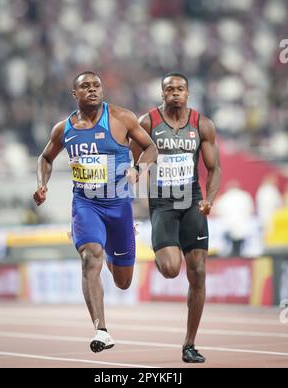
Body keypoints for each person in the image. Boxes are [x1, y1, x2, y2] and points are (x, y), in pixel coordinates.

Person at [33, 71, 157, 353]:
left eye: (96, 85)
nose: (92, 90)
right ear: (74, 94)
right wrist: (42, 184)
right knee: (90, 257)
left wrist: (139, 168)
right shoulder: (63, 129)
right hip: (86, 204)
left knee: (123, 282)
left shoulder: (121, 118)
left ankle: (112, 246)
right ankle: (101, 329)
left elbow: (150, 148)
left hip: (119, 206)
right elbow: (45, 157)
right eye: (85, 86)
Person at [131, 72, 221, 363]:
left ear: (188, 93)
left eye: (180, 89)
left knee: (198, 272)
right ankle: (162, 246)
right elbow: (132, 161)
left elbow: (215, 169)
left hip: (192, 201)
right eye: (169, 89)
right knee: (171, 269)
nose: (175, 93)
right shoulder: (148, 123)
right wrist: (136, 191)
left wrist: (209, 199)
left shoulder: (202, 124)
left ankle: (189, 344)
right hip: (163, 204)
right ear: (162, 94)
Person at [215, 180, 255, 256]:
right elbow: (251, 210)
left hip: (228, 229)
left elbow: (217, 211)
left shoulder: (224, 198)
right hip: (243, 229)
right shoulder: (245, 196)